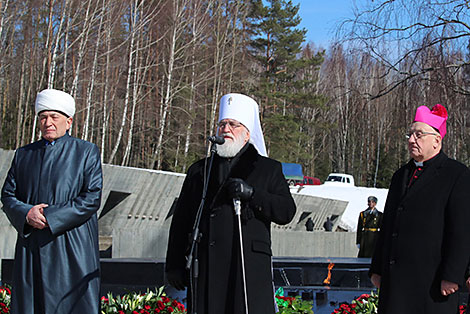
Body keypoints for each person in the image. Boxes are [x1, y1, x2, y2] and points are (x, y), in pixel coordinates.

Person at [165, 93, 296, 314]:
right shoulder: (200, 171)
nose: (225, 129)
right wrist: (175, 265)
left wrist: (253, 194)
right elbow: (182, 220)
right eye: (222, 124)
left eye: (233, 125)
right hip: (207, 265)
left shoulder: (267, 169)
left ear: (246, 134)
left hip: (247, 267)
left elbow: (286, 211)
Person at [1, 89, 103, 314]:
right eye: (43, 117)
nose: (48, 122)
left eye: (54, 117)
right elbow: (7, 195)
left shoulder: (85, 152)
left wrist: (50, 217)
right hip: (32, 245)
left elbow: (91, 197)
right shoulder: (24, 154)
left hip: (71, 246)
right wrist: (27, 214)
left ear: (68, 121)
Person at [369, 104, 470, 314]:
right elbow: (388, 226)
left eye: (419, 134)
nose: (411, 140)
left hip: (432, 284)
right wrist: (377, 269)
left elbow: (461, 230)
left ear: (436, 140)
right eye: (410, 134)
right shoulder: (400, 175)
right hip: (396, 283)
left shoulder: (456, 175)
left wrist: (452, 275)